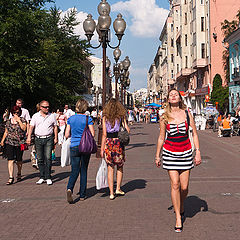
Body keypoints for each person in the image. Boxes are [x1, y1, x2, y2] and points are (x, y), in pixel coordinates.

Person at [155, 89, 201, 233]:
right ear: (168, 99)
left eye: (176, 94)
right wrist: (158, 155)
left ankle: (181, 205)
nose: (173, 96)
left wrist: (197, 152)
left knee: (184, 187)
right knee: (175, 184)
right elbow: (161, 137)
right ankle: (178, 217)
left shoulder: (187, 114)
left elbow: (194, 134)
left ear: (180, 98)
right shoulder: (164, 116)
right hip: (170, 153)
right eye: (171, 95)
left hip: (186, 152)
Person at [65, 99, 95, 203]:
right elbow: (92, 133)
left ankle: (70, 188)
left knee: (74, 170)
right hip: (85, 146)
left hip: (74, 146)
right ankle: (82, 194)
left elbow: (66, 134)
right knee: (84, 170)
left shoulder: (71, 118)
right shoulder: (88, 118)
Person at [101, 98, 130, 200]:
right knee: (120, 166)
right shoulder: (121, 117)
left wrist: (102, 148)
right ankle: (118, 188)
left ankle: (111, 193)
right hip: (118, 143)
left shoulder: (105, 117)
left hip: (109, 143)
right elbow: (128, 130)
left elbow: (104, 134)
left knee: (110, 168)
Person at [26, 100, 58, 185]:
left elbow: (55, 127)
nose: (47, 108)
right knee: (40, 158)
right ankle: (42, 176)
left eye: (48, 107)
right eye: (45, 107)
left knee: (48, 158)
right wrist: (29, 137)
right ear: (40, 107)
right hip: (38, 138)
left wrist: (56, 138)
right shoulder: (36, 116)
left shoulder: (52, 116)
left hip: (48, 138)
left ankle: (48, 177)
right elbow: (31, 127)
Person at [1, 106, 27, 185]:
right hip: (10, 142)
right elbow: (6, 132)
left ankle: (19, 173)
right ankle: (11, 177)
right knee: (10, 159)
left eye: (18, 112)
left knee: (19, 160)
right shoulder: (8, 121)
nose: (16, 114)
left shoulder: (22, 120)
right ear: (12, 113)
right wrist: (2, 140)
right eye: (15, 112)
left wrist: (19, 121)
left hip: (19, 142)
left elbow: (24, 128)